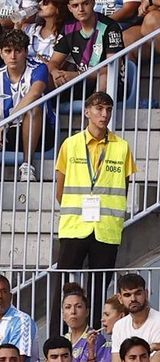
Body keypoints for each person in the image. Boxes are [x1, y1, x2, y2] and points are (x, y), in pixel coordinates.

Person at [56, 91, 135, 275]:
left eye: (108, 110)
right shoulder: (71, 144)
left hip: (106, 229)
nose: (104, 114)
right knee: (64, 287)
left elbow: (124, 188)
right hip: (75, 225)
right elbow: (60, 191)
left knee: (99, 291)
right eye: (99, 109)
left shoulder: (122, 147)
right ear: (87, 112)